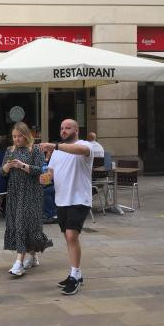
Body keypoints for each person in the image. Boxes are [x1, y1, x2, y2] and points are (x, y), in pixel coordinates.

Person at [39, 119, 94, 296]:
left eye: (67, 128)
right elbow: (51, 175)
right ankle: (75, 272)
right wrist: (44, 178)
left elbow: (83, 151)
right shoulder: (56, 152)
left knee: (71, 236)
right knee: (69, 238)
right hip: (61, 200)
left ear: (77, 130)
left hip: (79, 199)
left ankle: (75, 276)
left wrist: (54, 146)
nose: (63, 130)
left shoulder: (84, 145)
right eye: (61, 128)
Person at [0, 122, 52, 277]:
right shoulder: (10, 150)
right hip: (15, 191)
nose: (16, 139)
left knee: (23, 222)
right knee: (20, 223)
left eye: (18, 136)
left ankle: (18, 263)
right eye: (14, 136)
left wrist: (22, 165)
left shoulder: (35, 149)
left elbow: (40, 169)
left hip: (31, 191)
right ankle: (33, 256)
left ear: (26, 135)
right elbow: (2, 172)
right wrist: (7, 167)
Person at [40, 148, 57, 224]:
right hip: (54, 183)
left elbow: (45, 169)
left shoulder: (51, 160)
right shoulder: (50, 160)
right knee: (49, 189)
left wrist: (47, 158)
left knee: (47, 190)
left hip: (53, 183)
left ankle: (50, 215)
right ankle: (53, 214)